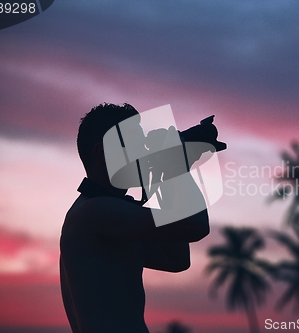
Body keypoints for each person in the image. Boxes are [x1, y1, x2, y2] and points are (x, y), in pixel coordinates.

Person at [60, 103, 210, 333]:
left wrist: (169, 170)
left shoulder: (107, 215)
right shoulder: (94, 212)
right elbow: (196, 225)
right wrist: (175, 165)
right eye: (136, 145)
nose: (144, 152)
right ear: (103, 153)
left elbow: (176, 258)